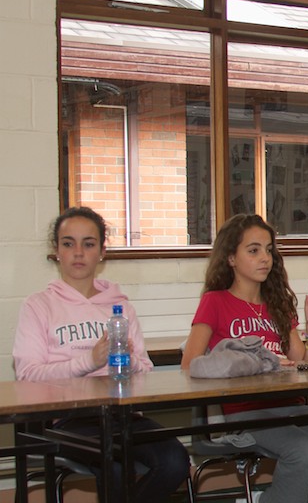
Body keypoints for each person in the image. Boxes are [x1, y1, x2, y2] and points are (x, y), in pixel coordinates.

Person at [181, 214, 308, 503]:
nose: (265, 258)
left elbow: (306, 365)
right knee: (304, 450)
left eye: (269, 249)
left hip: (291, 407)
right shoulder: (215, 301)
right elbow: (190, 365)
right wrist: (258, 368)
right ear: (231, 258)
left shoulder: (278, 304)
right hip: (245, 412)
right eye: (253, 250)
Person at [14, 207, 190, 501]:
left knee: (176, 462)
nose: (78, 253)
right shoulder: (38, 306)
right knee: (115, 464)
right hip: (69, 420)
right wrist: (90, 361)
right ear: (56, 251)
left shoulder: (120, 307)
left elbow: (145, 371)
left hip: (123, 416)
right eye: (68, 243)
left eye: (89, 243)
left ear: (102, 252)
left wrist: (129, 362)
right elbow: (27, 375)